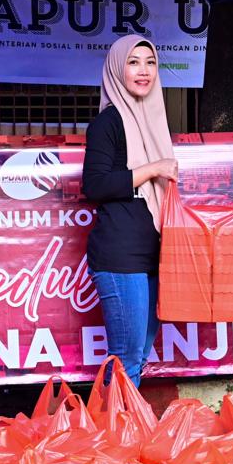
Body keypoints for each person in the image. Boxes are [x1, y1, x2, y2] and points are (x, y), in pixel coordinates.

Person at [82, 35, 178, 386]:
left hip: (152, 251)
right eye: (133, 62)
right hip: (120, 255)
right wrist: (152, 169)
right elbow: (95, 185)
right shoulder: (109, 122)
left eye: (150, 62)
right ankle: (116, 436)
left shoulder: (153, 119)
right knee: (126, 358)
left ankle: (121, 432)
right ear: (116, 69)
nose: (144, 71)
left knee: (137, 355)